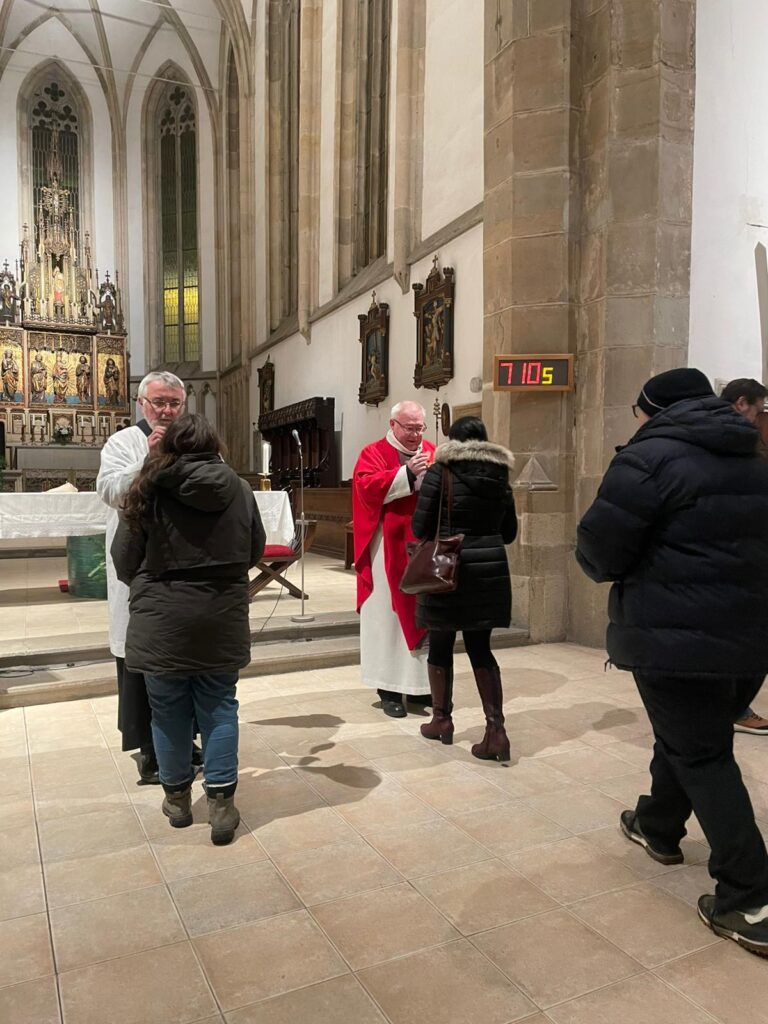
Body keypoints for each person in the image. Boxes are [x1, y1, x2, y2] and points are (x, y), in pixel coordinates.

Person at [576, 367, 768, 957]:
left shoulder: (646, 458)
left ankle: (750, 900)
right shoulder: (755, 456)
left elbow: (598, 552)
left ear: (651, 410)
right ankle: (657, 825)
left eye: (637, 412)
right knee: (689, 737)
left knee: (702, 753)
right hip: (751, 639)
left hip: (675, 639)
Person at [112, 414, 265, 845]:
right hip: (221, 615)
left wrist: (155, 586)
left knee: (167, 711)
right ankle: (221, 807)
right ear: (214, 446)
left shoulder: (148, 487)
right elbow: (254, 548)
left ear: (169, 446)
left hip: (162, 618)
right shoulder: (239, 488)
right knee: (219, 707)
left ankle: (177, 801)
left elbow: (123, 559)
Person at [96, 370, 189, 783]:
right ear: (141, 404)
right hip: (138, 567)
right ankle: (150, 748)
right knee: (139, 653)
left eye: (174, 403)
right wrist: (146, 461)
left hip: (183, 566)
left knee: (183, 657)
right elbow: (109, 491)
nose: (167, 411)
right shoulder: (123, 443)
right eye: (159, 402)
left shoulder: (195, 441)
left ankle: (184, 740)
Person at [412, 416, 517, 761]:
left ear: (453, 439)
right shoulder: (500, 475)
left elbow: (420, 527)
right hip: (488, 570)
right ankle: (496, 731)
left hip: (448, 567)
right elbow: (509, 533)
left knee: (441, 642)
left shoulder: (440, 471)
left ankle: (441, 720)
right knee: (480, 648)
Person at [352, 401, 435, 717]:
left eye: (419, 428)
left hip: (423, 546)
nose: (415, 435)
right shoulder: (373, 453)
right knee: (386, 619)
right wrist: (406, 474)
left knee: (422, 615)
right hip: (386, 546)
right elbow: (365, 487)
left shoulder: (431, 451)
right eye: (409, 428)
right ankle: (387, 690)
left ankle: (419, 689)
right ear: (393, 424)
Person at [720, 377, 768, 736]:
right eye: (758, 409)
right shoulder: (729, 439)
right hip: (733, 555)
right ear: (741, 402)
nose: (758, 417)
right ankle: (733, 708)